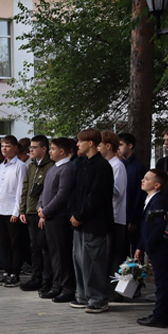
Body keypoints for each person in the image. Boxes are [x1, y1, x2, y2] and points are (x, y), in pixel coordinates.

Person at [69, 129, 114, 314]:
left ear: (91, 143)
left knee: (93, 260)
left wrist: (80, 215)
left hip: (94, 222)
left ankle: (97, 298)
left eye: (80, 141)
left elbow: (96, 197)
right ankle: (82, 295)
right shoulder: (82, 165)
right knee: (79, 258)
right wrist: (73, 213)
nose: (77, 145)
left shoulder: (102, 166)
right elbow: (75, 193)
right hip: (79, 221)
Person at [38, 138, 77, 303]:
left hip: (59, 218)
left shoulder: (67, 169)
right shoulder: (54, 168)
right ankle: (56, 285)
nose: (50, 151)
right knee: (53, 254)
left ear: (62, 151)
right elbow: (44, 191)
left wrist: (46, 210)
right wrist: (40, 207)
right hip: (48, 217)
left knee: (62, 254)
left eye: (53, 149)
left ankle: (67, 288)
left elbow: (62, 194)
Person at [135, 170, 168, 328]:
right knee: (160, 281)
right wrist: (140, 246)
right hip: (151, 246)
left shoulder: (159, 201)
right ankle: (159, 312)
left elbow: (158, 226)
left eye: (147, 179)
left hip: (159, 248)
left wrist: (149, 244)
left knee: (162, 282)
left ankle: (161, 315)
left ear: (157, 185)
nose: (143, 181)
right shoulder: (150, 199)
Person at [19, 136, 53, 292]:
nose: (30, 150)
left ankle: (47, 280)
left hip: (42, 213)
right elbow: (26, 189)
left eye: (34, 148)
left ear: (43, 149)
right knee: (34, 247)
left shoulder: (50, 166)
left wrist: (44, 212)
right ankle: (36, 277)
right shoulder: (31, 166)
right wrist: (22, 209)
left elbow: (48, 192)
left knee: (44, 248)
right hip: (30, 212)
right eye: (30, 148)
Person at [0, 136, 27, 287]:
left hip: (12, 210)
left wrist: (16, 211)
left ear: (15, 147)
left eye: (7, 146)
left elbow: (20, 190)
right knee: (4, 242)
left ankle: (15, 272)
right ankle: (6, 271)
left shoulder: (20, 166)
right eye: (2, 146)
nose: (4, 149)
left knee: (15, 243)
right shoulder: (2, 166)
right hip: (0, 209)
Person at [100, 131, 127, 278]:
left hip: (115, 217)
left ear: (108, 146)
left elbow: (118, 191)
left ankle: (113, 287)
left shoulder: (117, 166)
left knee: (113, 254)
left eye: (100, 145)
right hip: (107, 216)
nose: (97, 148)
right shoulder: (107, 165)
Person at [118, 133, 147, 257]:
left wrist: (134, 219)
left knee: (135, 250)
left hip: (132, 215)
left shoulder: (138, 167)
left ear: (130, 146)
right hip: (121, 215)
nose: (118, 148)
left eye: (121, 145)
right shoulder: (120, 165)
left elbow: (139, 195)